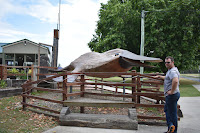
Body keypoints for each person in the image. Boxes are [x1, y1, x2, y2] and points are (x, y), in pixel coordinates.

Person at [156, 56, 180, 133]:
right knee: (167, 110)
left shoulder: (172, 71)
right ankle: (170, 128)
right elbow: (167, 78)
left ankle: (172, 128)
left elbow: (175, 81)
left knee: (172, 113)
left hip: (172, 95)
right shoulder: (171, 70)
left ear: (172, 62)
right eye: (165, 62)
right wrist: (160, 77)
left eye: (168, 62)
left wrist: (172, 91)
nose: (166, 64)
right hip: (173, 95)